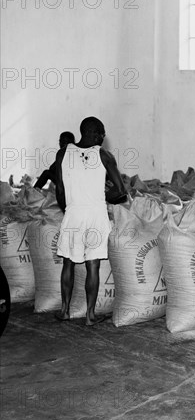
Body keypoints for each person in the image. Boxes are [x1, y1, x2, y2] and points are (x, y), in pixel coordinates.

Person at [54, 117, 128, 325]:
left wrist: (68, 209)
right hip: (95, 215)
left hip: (73, 214)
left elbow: (60, 189)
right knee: (92, 266)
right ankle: (90, 316)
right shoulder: (104, 155)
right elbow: (121, 190)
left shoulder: (63, 153)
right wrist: (101, 197)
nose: (103, 138)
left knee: (67, 263)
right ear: (94, 133)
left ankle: (65, 311)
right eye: (102, 134)